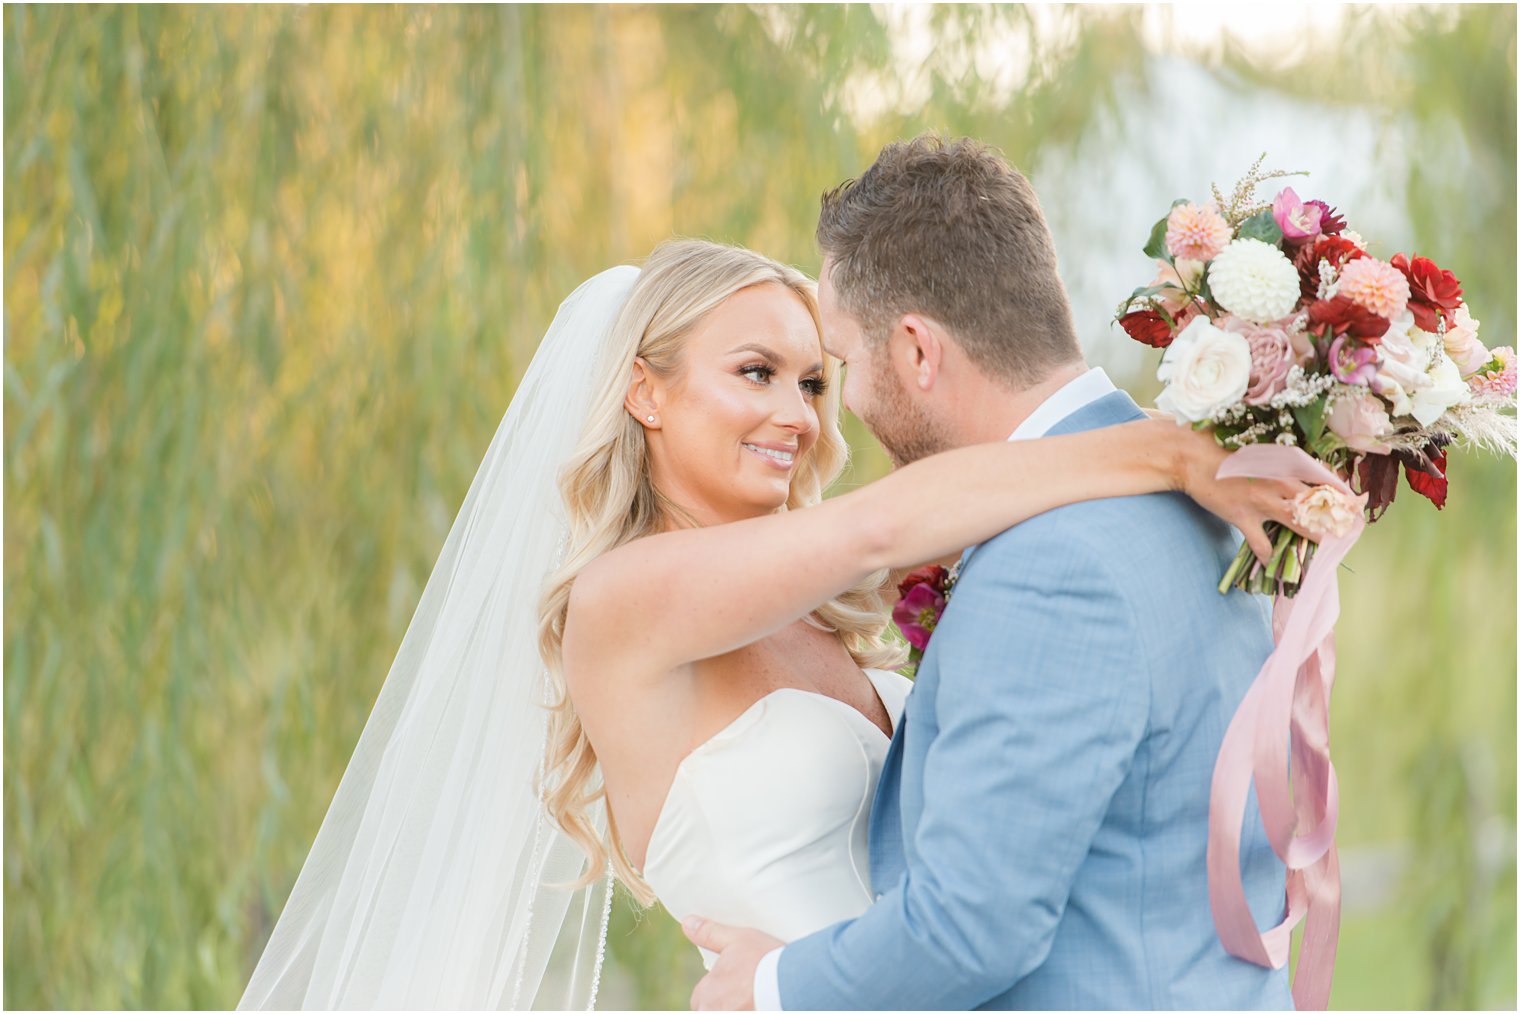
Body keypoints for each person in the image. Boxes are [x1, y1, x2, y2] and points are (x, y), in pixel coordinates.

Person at [239, 228, 1304, 1008]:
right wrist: (1163, 450)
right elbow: (878, 526)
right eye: (754, 374)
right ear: (643, 392)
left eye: (810, 382)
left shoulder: (822, 608)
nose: (795, 415)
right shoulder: (621, 601)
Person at [682, 137, 1297, 1011]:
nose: (842, 408)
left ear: (918, 352)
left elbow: (973, 926)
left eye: (846, 366)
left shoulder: (1049, 563)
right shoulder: (1202, 486)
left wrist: (771, 986)